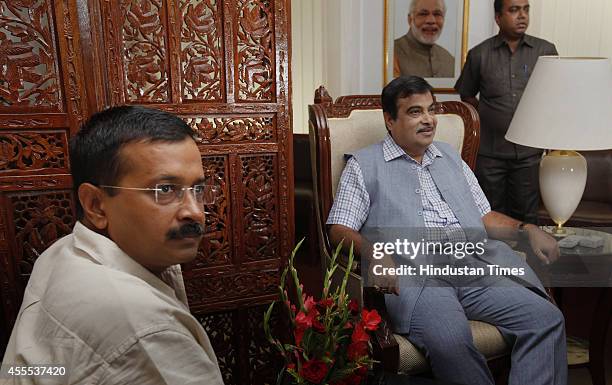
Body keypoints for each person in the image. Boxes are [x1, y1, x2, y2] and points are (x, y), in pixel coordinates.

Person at [327, 76, 567, 385]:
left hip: (475, 267)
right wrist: (375, 251)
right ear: (390, 120)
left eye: (431, 109)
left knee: (546, 319)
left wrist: (527, 228)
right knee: (452, 343)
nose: (428, 120)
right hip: (419, 277)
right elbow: (338, 228)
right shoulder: (364, 165)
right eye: (415, 112)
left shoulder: (450, 157)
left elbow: (484, 216)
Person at [1, 106, 224, 384]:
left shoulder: (63, 251)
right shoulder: (146, 328)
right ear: (96, 205)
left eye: (199, 190)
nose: (194, 211)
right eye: (165, 190)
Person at [455, 0, 558, 224]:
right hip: (490, 154)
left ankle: (527, 260)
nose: (522, 15)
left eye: (525, 9)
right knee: (491, 216)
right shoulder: (479, 54)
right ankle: (496, 260)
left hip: (529, 152)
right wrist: (490, 118)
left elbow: (555, 96)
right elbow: (467, 96)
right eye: (513, 10)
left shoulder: (545, 51)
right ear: (498, 17)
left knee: (527, 217)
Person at [393, 0, 455, 78]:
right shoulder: (392, 53)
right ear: (410, 19)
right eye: (423, 14)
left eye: (437, 14)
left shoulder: (449, 60)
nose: (431, 21)